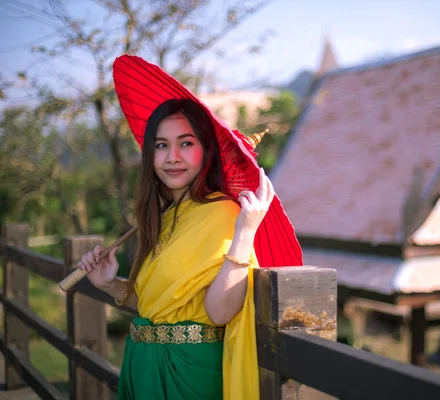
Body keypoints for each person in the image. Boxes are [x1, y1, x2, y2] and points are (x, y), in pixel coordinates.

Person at [75, 55, 303, 400]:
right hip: (142, 364)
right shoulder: (166, 216)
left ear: (205, 150)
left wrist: (245, 232)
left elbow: (219, 311)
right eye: (161, 145)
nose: (172, 157)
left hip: (190, 374)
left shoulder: (225, 214)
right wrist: (111, 286)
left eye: (186, 143)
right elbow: (162, 307)